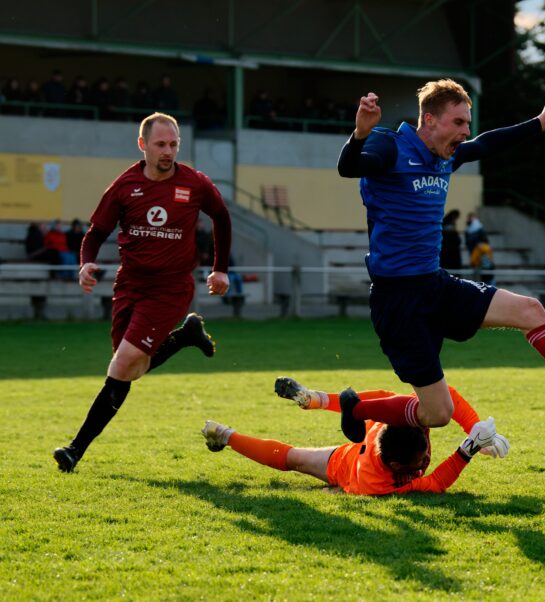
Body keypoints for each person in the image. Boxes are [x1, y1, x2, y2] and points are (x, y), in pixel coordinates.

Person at [335, 79, 545, 444]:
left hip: (435, 284)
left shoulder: (447, 155)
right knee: (438, 414)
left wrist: (539, 122)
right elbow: (350, 168)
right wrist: (360, 132)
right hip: (397, 299)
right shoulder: (389, 144)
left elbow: (487, 143)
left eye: (467, 123)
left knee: (530, 309)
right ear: (429, 120)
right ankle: (358, 409)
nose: (466, 132)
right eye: (458, 122)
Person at [53, 112, 233, 473]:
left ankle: (75, 450)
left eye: (174, 144)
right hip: (130, 285)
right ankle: (184, 337)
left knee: (122, 364)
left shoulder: (194, 184)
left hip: (170, 289)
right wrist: (85, 263)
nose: (168, 151)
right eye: (161, 144)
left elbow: (222, 217)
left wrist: (220, 268)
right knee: (132, 369)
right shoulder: (124, 186)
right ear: (143, 145)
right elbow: (95, 233)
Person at [201, 377, 509, 495]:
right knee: (292, 459)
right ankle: (226, 436)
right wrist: (468, 449)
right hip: (347, 466)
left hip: (370, 438)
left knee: (388, 401)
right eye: (418, 462)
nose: (423, 463)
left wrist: (476, 429)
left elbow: (447, 396)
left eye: (424, 453)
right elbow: (437, 483)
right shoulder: (376, 485)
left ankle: (321, 399)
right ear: (396, 466)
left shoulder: (406, 429)